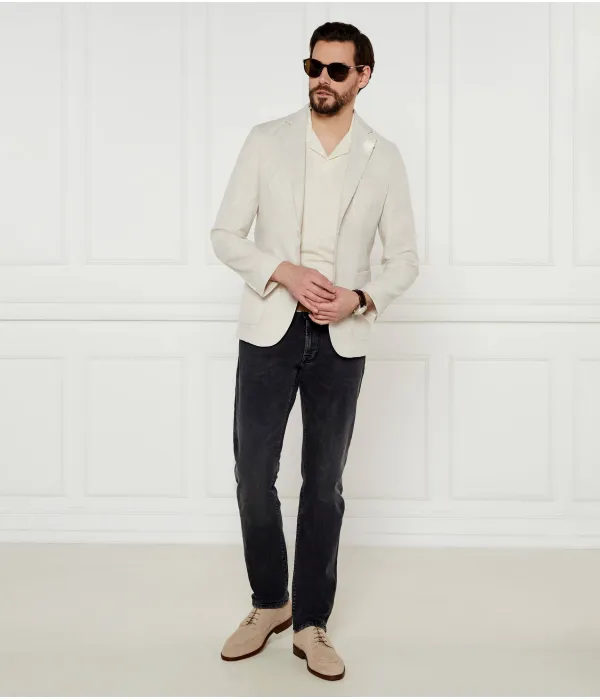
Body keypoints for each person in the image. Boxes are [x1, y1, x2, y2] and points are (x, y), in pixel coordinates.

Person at [211, 21, 419, 681]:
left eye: (336, 70)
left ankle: (311, 622)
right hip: (269, 331)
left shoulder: (383, 157)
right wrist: (284, 271)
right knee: (252, 476)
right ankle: (269, 602)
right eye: (313, 67)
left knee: (324, 485)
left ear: (363, 77)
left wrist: (359, 297)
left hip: (341, 340)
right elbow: (225, 234)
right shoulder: (265, 141)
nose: (321, 80)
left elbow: (405, 259)